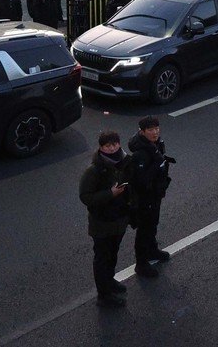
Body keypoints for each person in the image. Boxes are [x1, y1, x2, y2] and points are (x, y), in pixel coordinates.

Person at [78, 130, 133, 308]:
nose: (112, 148)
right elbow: (86, 197)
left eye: (115, 144)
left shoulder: (124, 161)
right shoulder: (94, 170)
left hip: (119, 220)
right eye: (108, 145)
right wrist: (111, 193)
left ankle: (110, 282)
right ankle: (104, 295)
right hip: (102, 223)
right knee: (102, 258)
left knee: (113, 255)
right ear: (101, 148)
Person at [126, 116, 174, 278]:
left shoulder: (155, 145)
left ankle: (152, 250)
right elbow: (140, 181)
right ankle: (141, 264)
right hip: (144, 198)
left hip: (155, 194)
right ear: (142, 132)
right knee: (144, 230)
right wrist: (157, 164)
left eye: (157, 128)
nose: (155, 132)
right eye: (151, 130)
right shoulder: (140, 154)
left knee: (153, 224)